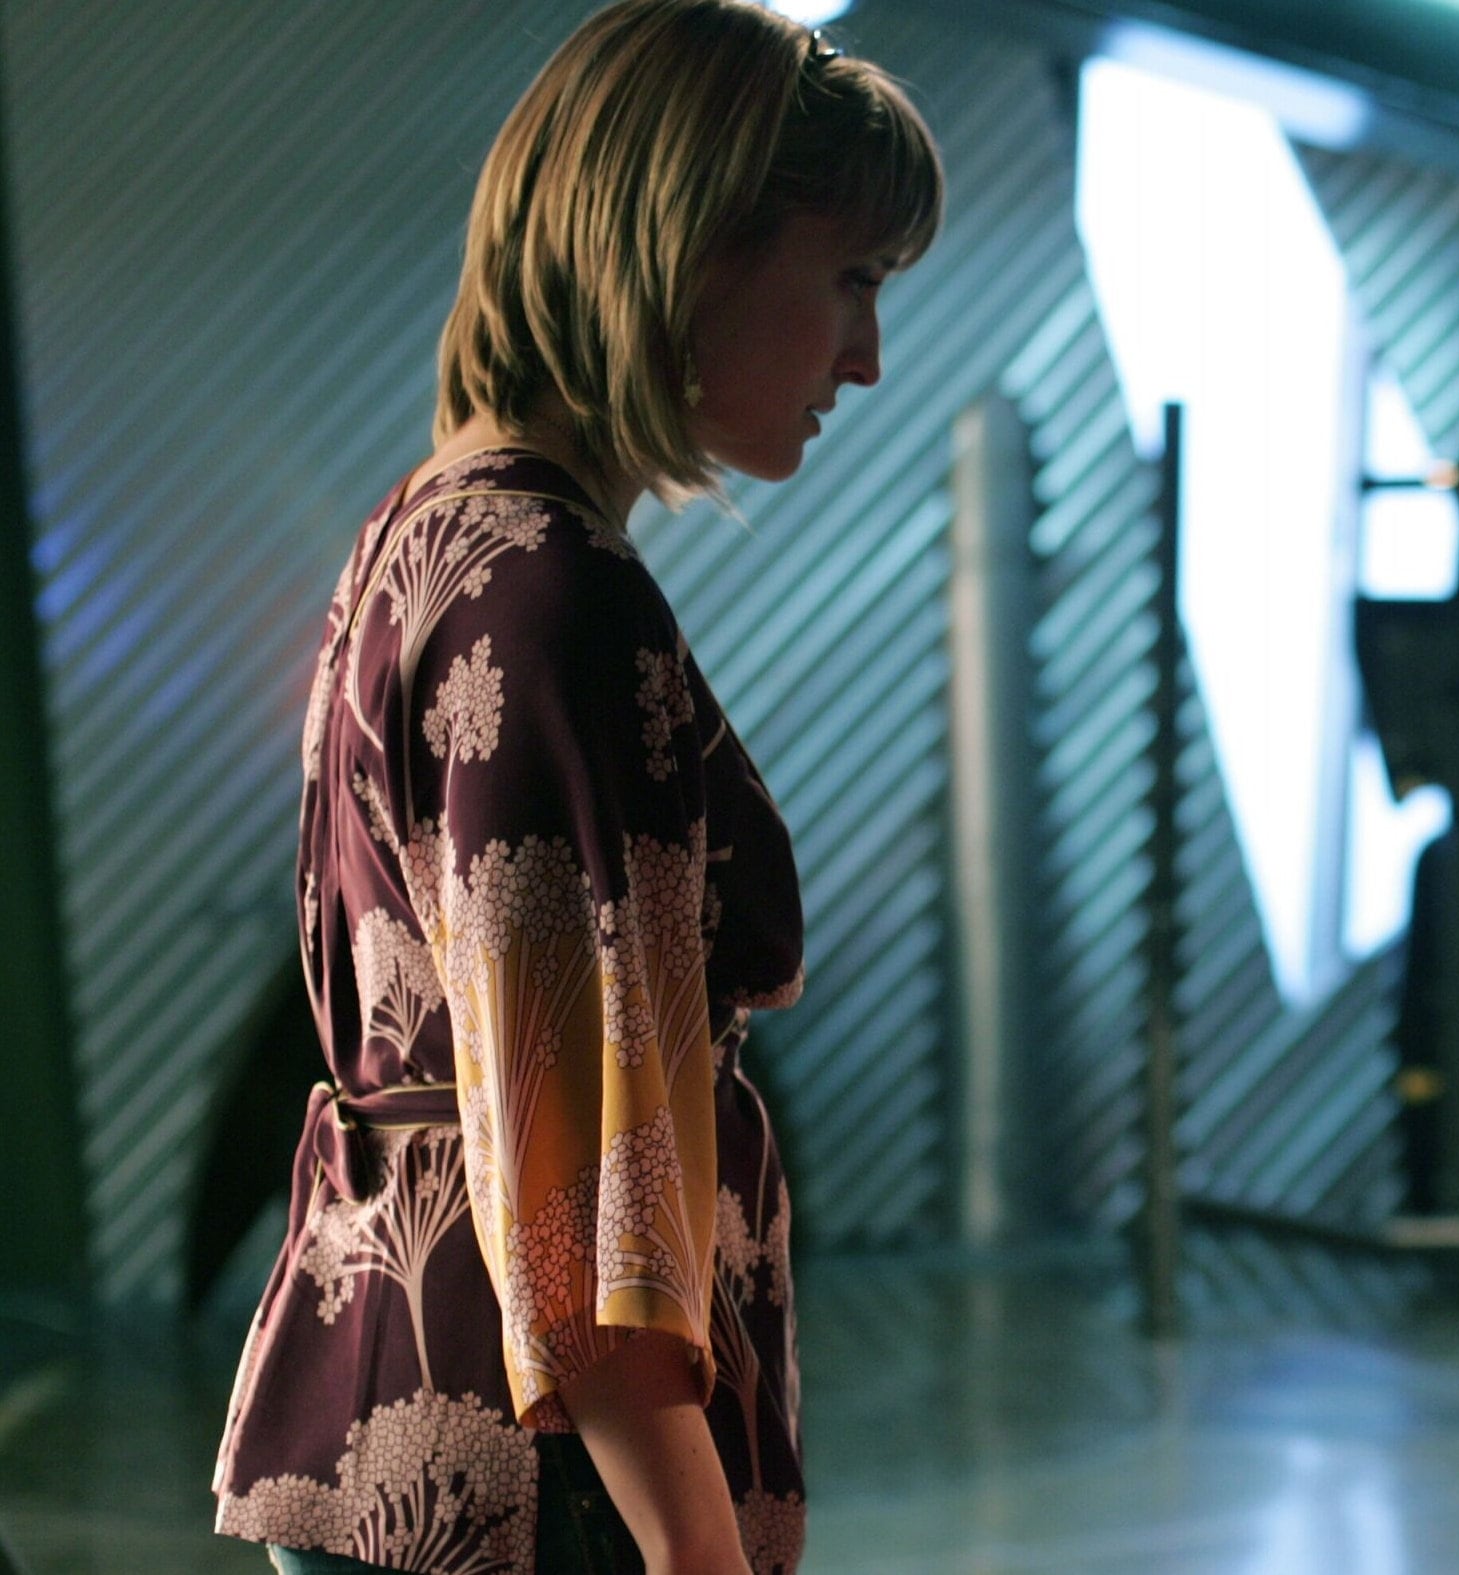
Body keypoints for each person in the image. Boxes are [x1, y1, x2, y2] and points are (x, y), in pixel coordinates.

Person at [211, 5, 941, 1571]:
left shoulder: (427, 528)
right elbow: (578, 1164)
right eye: (852, 278)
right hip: (534, 1487)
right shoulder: (555, 595)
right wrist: (696, 1545)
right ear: (690, 245)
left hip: (407, 1429)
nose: (868, 358)